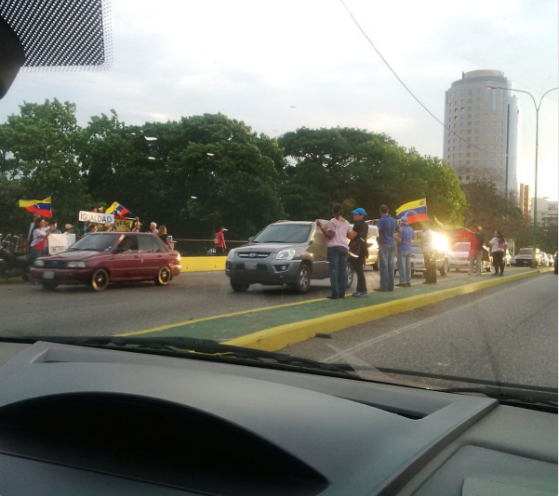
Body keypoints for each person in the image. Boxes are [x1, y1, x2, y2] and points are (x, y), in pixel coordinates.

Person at [316, 204, 354, 299]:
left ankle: (335, 293)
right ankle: (342, 293)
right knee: (343, 271)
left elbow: (330, 235)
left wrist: (321, 226)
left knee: (334, 270)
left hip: (334, 248)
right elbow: (349, 235)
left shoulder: (333, 221)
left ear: (333, 211)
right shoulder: (346, 223)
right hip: (344, 248)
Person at [374, 205, 397, 292]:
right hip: (392, 243)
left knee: (384, 265)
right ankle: (391, 286)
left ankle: (384, 286)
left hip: (383, 243)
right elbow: (399, 230)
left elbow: (377, 229)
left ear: (380, 212)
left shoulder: (382, 220)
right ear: (388, 210)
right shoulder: (393, 220)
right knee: (391, 265)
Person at [348, 208, 369, 297]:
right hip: (363, 248)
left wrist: (345, 232)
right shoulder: (365, 224)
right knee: (360, 269)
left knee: (358, 269)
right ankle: (363, 289)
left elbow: (352, 236)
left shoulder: (357, 224)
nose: (354, 215)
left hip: (357, 249)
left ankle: (361, 290)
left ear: (361, 215)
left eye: (355, 214)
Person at [395, 217, 414, 287]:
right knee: (407, 266)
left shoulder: (402, 229)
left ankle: (403, 282)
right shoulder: (411, 229)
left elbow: (399, 239)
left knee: (402, 266)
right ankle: (408, 281)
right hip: (409, 248)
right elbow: (413, 237)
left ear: (401, 222)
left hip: (402, 249)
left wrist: (394, 236)